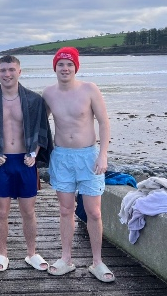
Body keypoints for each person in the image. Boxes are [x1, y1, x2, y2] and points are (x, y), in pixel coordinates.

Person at [42, 47, 115, 283]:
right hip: (62, 157)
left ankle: (97, 262)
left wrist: (103, 155)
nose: (65, 68)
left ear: (75, 67)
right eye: (61, 64)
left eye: (69, 64)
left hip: (88, 157)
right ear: (55, 68)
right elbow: (38, 125)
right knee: (66, 210)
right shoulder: (48, 93)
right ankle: (66, 259)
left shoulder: (89, 89)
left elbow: (104, 123)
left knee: (94, 212)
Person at [0, 55, 53, 272]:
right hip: (1, 162)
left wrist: (34, 153)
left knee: (29, 211)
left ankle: (32, 253)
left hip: (25, 161)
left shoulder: (34, 100)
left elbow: (42, 131)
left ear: (19, 72)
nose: (7, 74)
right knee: (1, 212)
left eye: (11, 70)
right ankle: (2, 253)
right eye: (3, 70)